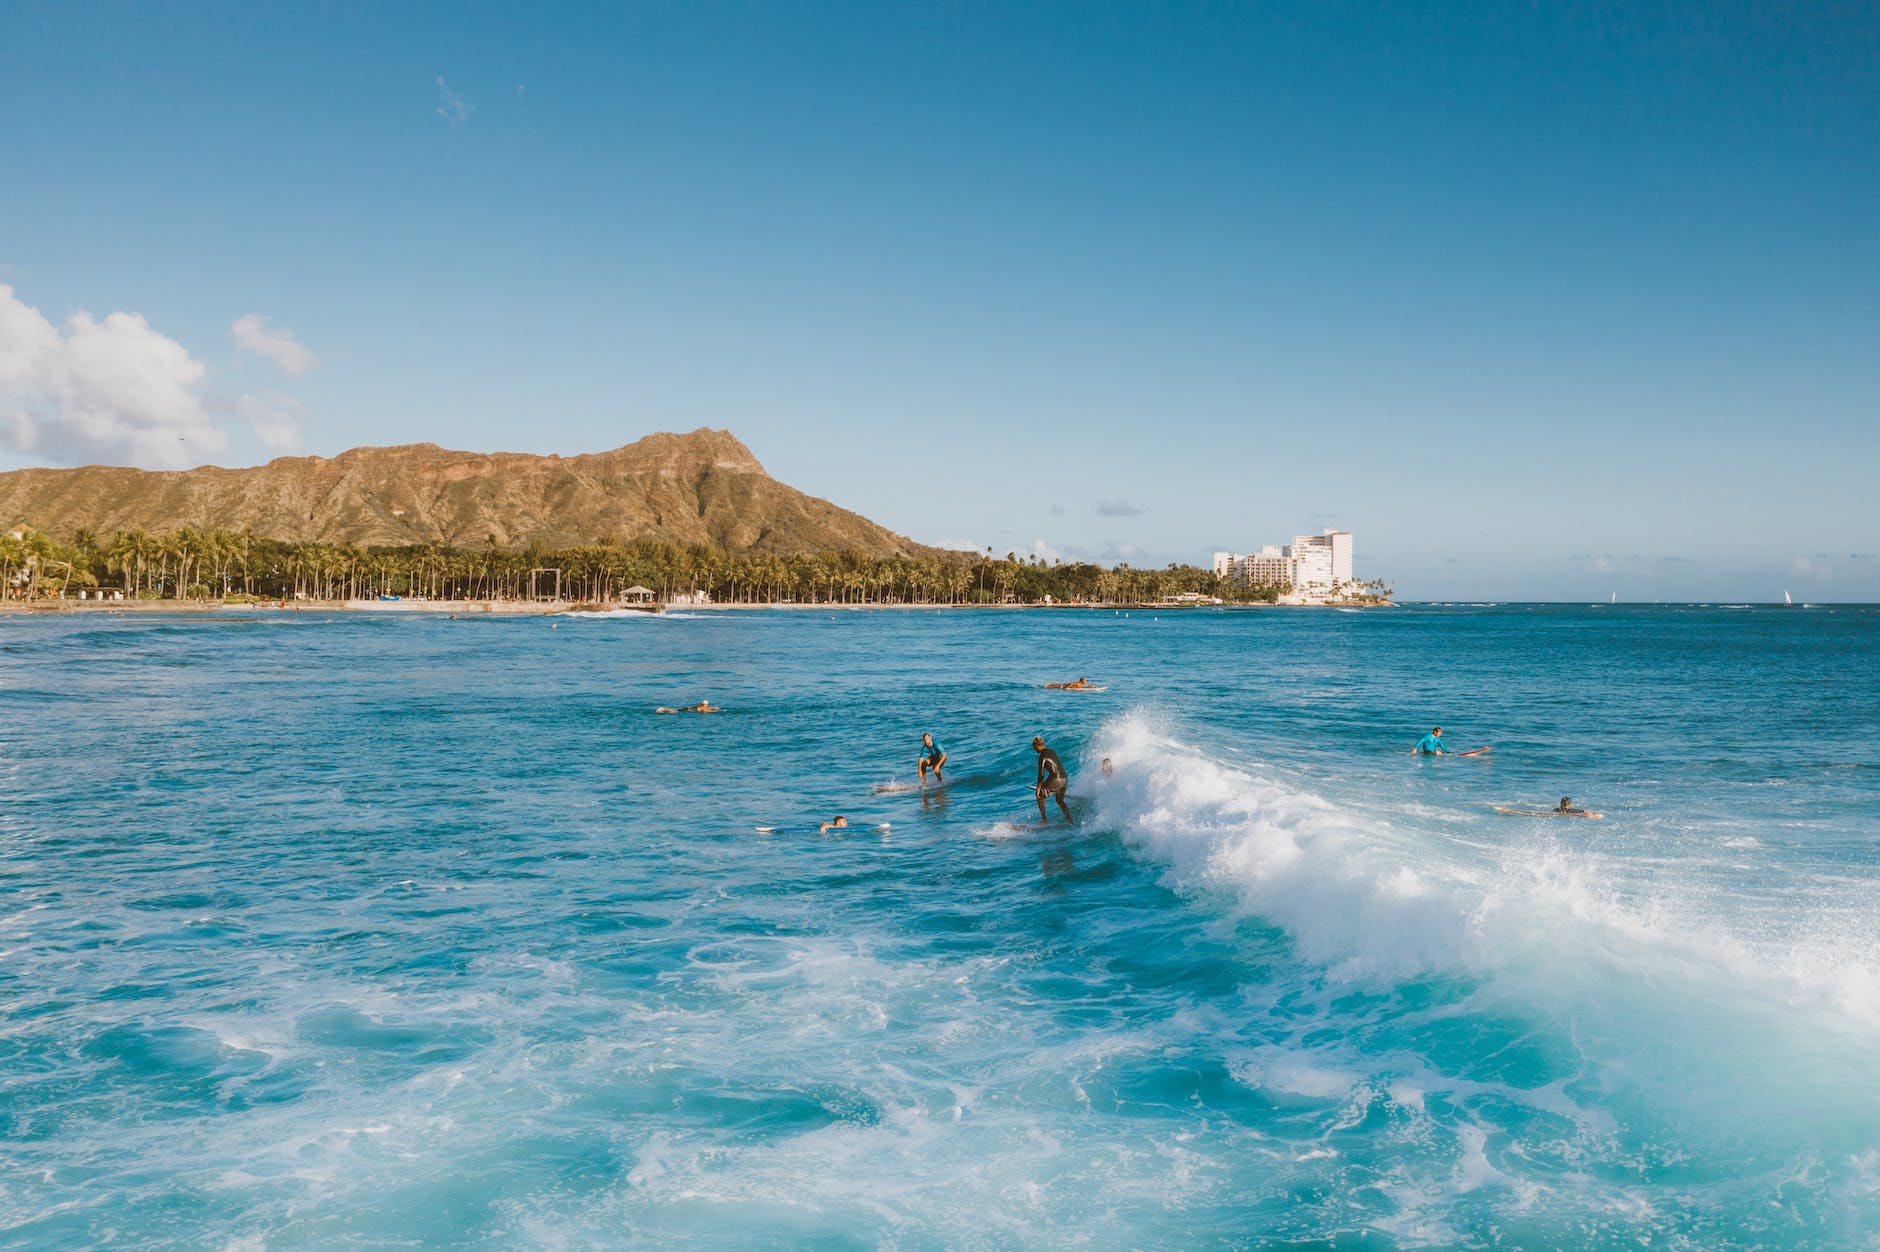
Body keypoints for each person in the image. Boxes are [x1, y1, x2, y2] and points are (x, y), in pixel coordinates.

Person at [1033, 736, 1073, 825]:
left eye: (1034, 747)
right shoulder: (1051, 751)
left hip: (1056, 779)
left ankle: (1044, 820)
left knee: (1039, 796)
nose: (1034, 749)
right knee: (1059, 800)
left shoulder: (1042, 756)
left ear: (1037, 746)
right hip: (1065, 779)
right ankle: (1069, 820)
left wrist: (1039, 788)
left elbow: (1041, 774)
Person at [655, 701, 721, 714]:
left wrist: (715, 708)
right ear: (705, 704)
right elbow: (708, 709)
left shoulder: (700, 706)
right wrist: (715, 710)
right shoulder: (703, 707)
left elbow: (709, 708)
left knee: (675, 710)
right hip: (687, 710)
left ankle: (663, 709)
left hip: (687, 708)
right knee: (675, 711)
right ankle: (663, 709)